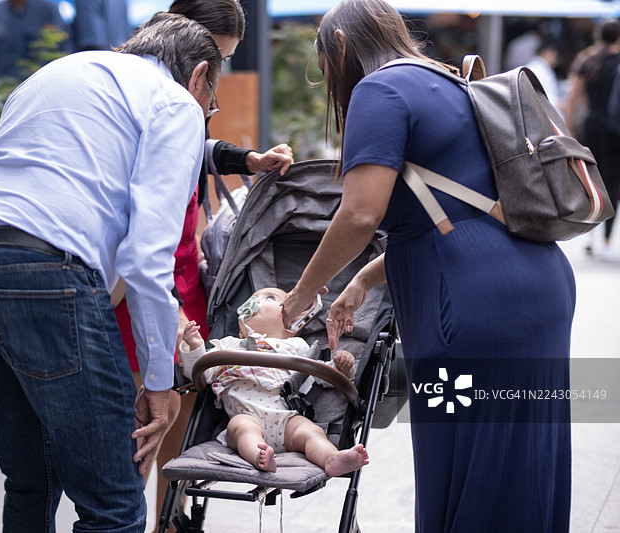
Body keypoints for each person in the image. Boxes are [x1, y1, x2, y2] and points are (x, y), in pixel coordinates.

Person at [280, 1, 573, 532]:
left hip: (467, 306)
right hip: (534, 282)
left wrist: (301, 295)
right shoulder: (449, 80)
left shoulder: (378, 89)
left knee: (465, 461)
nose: (332, 84)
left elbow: (361, 214)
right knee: (522, 460)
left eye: (326, 69)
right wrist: (364, 281)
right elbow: (452, 217)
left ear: (341, 45)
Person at [0, 13, 221, 532]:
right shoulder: (176, 102)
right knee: (114, 503)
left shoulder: (58, 71)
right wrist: (160, 383)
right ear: (199, 76)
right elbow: (146, 259)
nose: (207, 113)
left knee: (31, 478)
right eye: (212, 103)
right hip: (44, 272)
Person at [110, 0, 294, 519]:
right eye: (218, 61)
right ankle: (128, 517)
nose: (218, 82)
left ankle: (170, 518)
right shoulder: (136, 87)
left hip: (183, 272)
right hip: (142, 277)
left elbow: (195, 144)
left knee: (184, 408)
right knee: (142, 417)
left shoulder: (170, 98)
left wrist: (246, 159)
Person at [179, 287, 369, 476]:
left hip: (286, 420)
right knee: (241, 428)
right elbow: (199, 375)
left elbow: (322, 377)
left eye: (268, 298)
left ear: (291, 323)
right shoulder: (228, 346)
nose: (255, 302)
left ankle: (330, 458)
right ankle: (259, 456)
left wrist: (342, 368)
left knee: (310, 431)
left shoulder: (296, 347)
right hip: (247, 416)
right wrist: (195, 347)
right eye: (252, 298)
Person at [564, 20, 620, 261]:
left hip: (591, 125)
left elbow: (573, 98)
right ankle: (607, 239)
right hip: (615, 129)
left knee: (590, 180)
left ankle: (588, 234)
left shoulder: (587, 60)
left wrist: (568, 130)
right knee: (612, 181)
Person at [525, 39, 562, 113]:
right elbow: (535, 93)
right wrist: (558, 103)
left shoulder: (544, 67)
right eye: (554, 55)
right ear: (546, 52)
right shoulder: (535, 68)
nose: (555, 59)